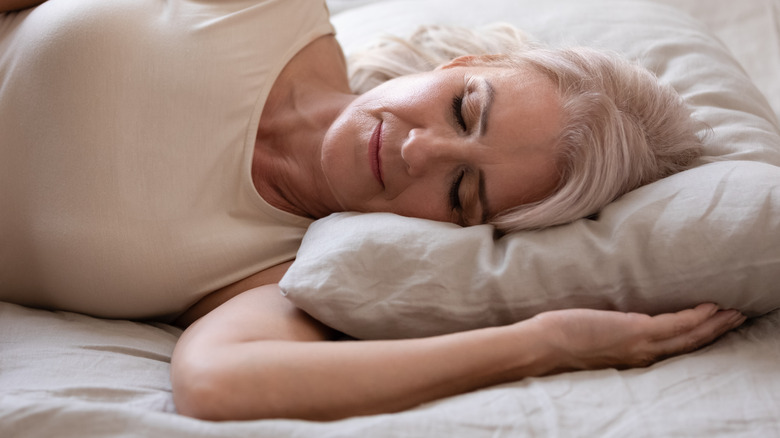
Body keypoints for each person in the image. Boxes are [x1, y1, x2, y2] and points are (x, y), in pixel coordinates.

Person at [0, 0, 744, 422]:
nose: (421, 152)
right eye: (464, 109)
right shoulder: (265, 13)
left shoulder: (272, 274)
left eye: (461, 191)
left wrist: (543, 344)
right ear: (459, 67)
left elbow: (217, 384)